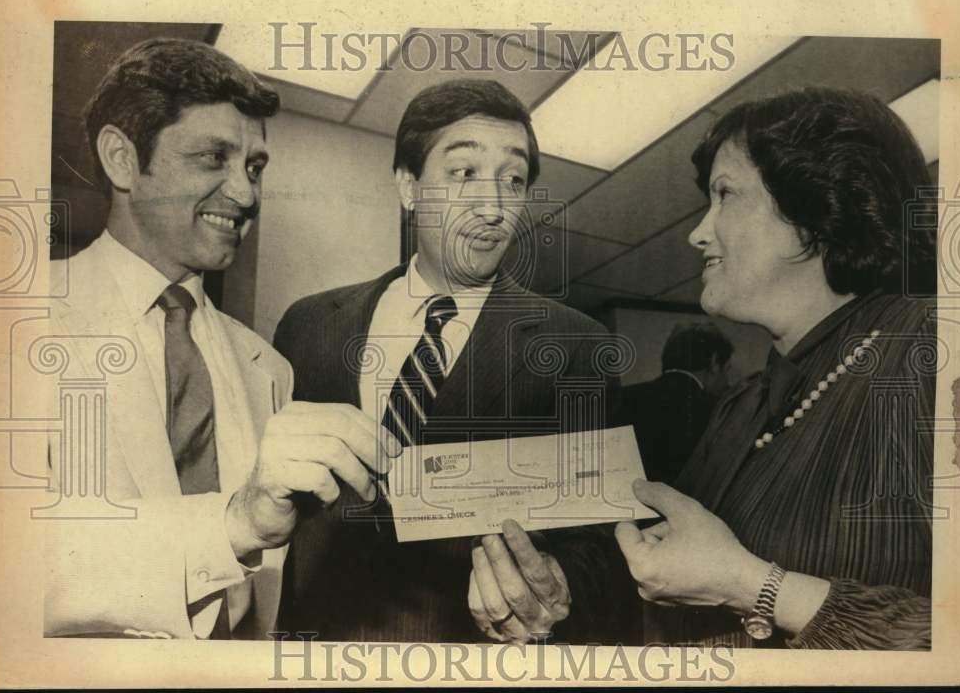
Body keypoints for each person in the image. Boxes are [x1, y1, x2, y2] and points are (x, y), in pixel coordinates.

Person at [43, 38, 399, 639]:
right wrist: (236, 525)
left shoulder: (270, 367)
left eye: (254, 167)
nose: (246, 194)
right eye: (214, 158)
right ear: (121, 159)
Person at [273, 79, 622, 644]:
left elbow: (598, 547)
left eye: (513, 180)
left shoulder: (575, 347)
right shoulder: (309, 325)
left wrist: (552, 588)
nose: (493, 206)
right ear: (408, 186)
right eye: (464, 174)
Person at [615, 86, 937, 649]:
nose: (698, 232)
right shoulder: (742, 404)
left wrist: (750, 585)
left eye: (726, 195)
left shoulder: (934, 351)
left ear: (818, 210)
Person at [619, 322, 733, 481]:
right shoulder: (718, 410)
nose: (727, 382)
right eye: (727, 370)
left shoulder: (621, 398)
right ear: (714, 362)